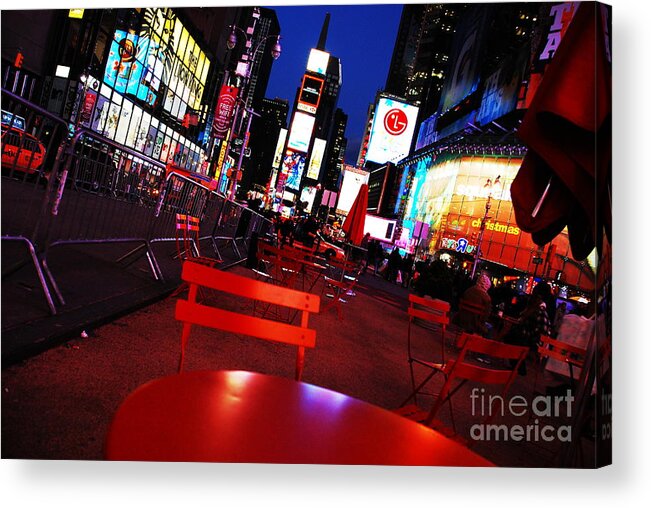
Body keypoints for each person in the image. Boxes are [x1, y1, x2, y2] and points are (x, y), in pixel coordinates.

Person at [503, 281, 553, 374]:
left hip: (534, 343)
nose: (532, 296)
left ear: (539, 296)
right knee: (512, 335)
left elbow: (540, 334)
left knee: (512, 336)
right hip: (532, 340)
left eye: (534, 293)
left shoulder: (539, 311)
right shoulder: (536, 308)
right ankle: (517, 366)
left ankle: (519, 367)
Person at [453, 272, 493, 336]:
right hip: (475, 324)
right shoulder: (487, 298)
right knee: (490, 327)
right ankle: (477, 344)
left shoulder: (468, 291)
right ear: (487, 286)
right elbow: (485, 316)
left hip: (461, 319)